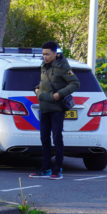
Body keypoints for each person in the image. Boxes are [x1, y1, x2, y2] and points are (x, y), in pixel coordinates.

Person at [30, 41, 80, 180]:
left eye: (47, 54)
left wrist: (60, 94)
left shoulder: (63, 66)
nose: (44, 57)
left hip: (57, 109)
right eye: (43, 54)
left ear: (55, 53)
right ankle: (45, 168)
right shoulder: (44, 66)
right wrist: (36, 88)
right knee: (44, 139)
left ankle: (57, 169)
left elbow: (75, 83)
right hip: (44, 108)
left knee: (57, 139)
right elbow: (44, 83)